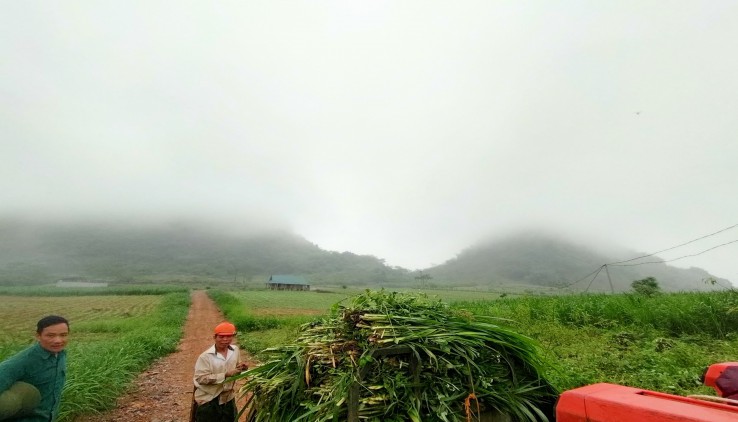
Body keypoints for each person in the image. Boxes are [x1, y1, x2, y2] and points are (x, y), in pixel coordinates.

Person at [0, 315, 69, 422]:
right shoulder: (24, 360)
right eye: (50, 335)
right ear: (38, 336)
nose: (58, 340)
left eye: (63, 335)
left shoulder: (61, 355)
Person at [192, 321, 248, 422]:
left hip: (228, 398)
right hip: (209, 400)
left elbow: (237, 368)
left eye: (228, 336)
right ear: (215, 337)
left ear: (233, 336)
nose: (225, 340)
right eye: (221, 337)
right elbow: (200, 378)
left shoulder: (235, 350)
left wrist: (242, 367)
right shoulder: (205, 357)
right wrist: (225, 375)